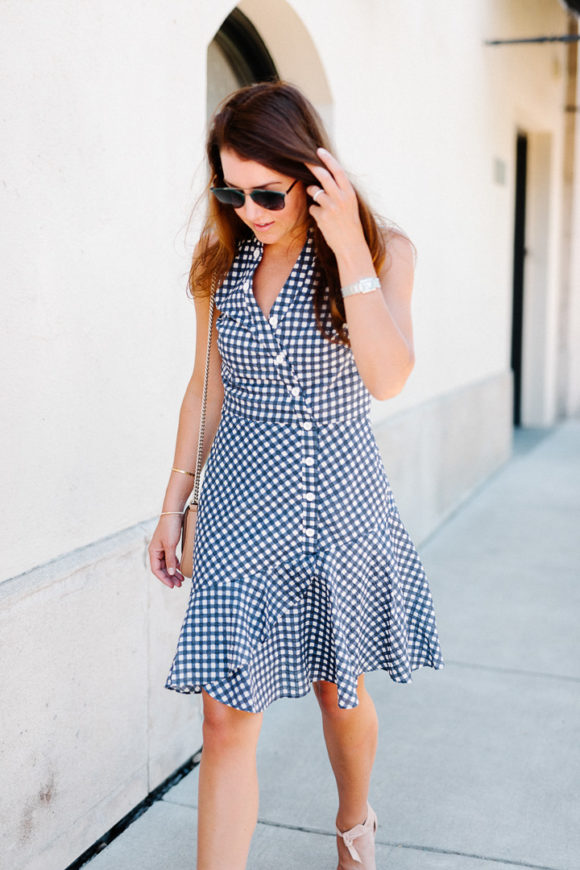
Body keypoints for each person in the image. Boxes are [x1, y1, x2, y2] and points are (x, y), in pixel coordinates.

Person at [148, 80, 444, 870]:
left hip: (341, 501)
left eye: (267, 191)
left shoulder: (385, 251)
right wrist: (173, 505)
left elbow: (388, 378)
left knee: (336, 687)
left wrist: (348, 244)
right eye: (230, 190)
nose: (249, 208)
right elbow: (205, 387)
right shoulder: (220, 267)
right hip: (243, 502)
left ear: (310, 171)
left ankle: (355, 824)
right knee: (224, 715)